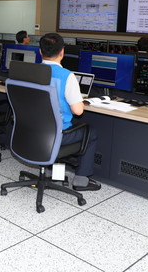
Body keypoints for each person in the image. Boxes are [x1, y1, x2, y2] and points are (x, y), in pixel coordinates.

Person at [39, 33, 101, 191]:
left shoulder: (31, 71)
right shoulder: (67, 76)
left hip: (34, 130)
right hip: (58, 133)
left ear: (40, 52)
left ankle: (47, 169)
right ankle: (81, 179)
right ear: (62, 52)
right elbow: (78, 111)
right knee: (90, 131)